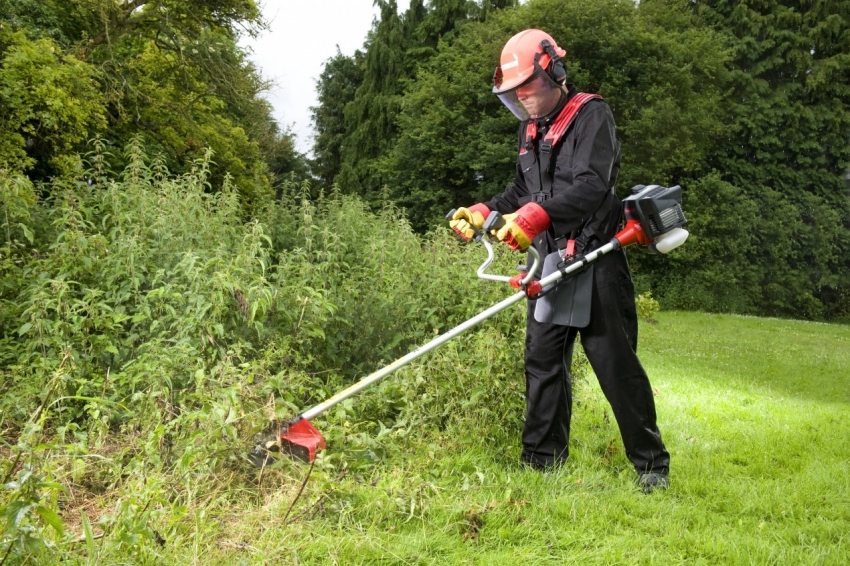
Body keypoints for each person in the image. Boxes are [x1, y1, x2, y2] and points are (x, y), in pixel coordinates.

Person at [449, 29, 670, 493]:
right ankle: (541, 460)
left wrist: (534, 215)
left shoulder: (592, 115)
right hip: (549, 262)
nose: (522, 100)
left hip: (597, 257)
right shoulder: (529, 131)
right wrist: (486, 210)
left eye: (526, 88)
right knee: (543, 360)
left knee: (615, 364)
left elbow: (592, 185)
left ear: (553, 71)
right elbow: (521, 190)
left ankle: (651, 466)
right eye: (514, 94)